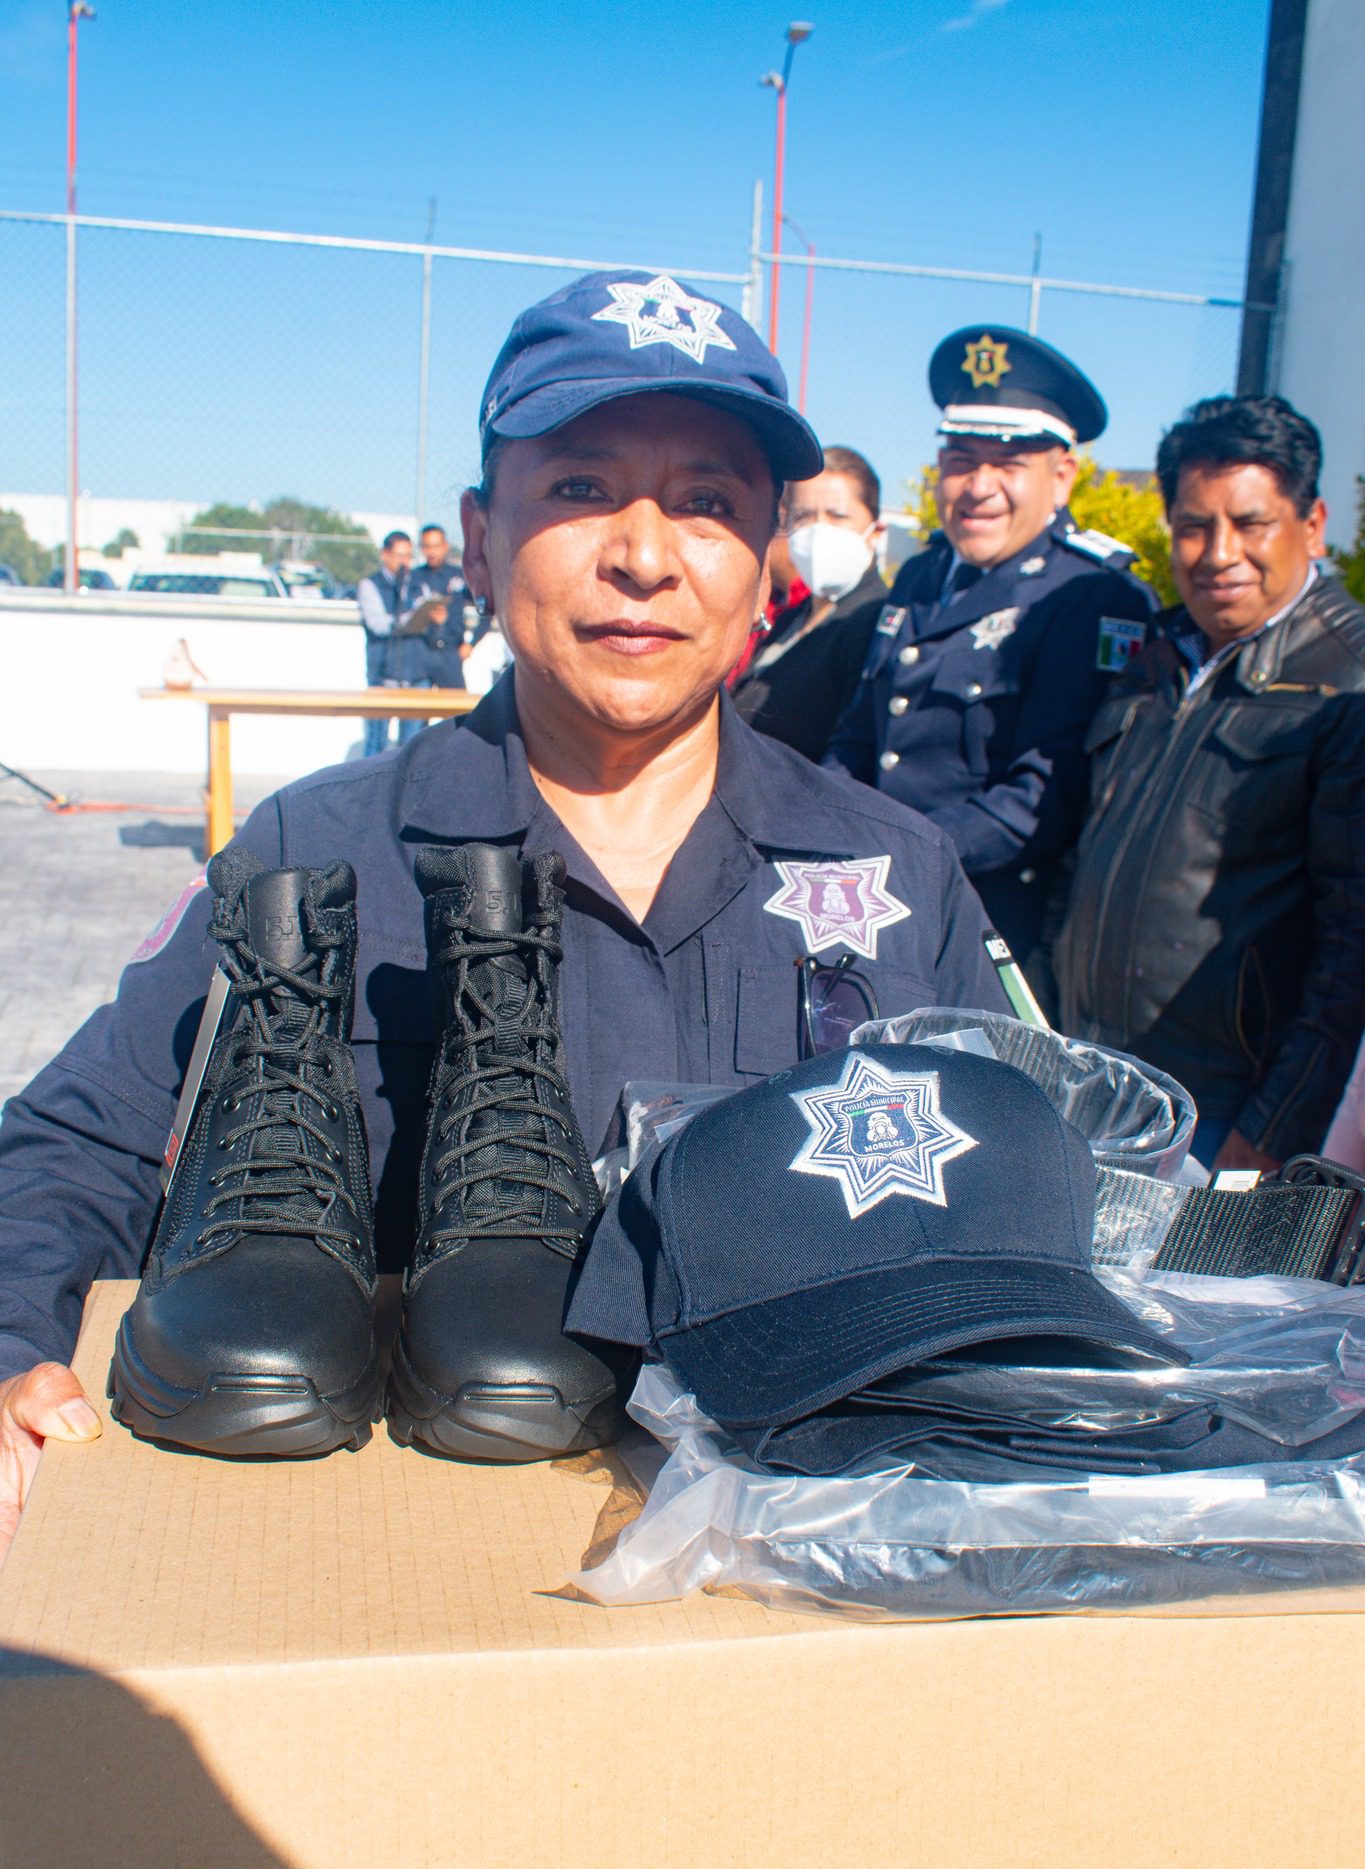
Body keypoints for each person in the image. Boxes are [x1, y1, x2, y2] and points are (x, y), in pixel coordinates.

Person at [0, 267, 1009, 1551]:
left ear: (764, 567)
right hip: (406, 1572)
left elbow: (1030, 1199)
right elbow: (73, 1138)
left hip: (798, 1568)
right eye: (582, 489)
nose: (643, 556)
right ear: (481, 537)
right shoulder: (321, 849)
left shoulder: (898, 870)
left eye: (707, 504)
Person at [1054, 393, 1365, 1173]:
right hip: (1100, 1085)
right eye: (1192, 526)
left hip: (1225, 1116)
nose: (1217, 552)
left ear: (1312, 524)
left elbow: (1348, 958)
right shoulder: (1152, 657)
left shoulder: (1347, 682)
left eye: (1249, 524)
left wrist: (1264, 1142)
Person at [823, 326, 1155, 967]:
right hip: (874, 902)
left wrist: (886, 854)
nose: (978, 486)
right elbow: (859, 733)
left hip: (986, 929)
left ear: (1061, 476)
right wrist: (820, 825)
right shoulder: (922, 575)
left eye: (1007, 464)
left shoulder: (1091, 596)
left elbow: (1037, 802)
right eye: (961, 460)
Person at [732, 445, 889, 760]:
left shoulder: (872, 621)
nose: (820, 530)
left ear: (876, 531)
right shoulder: (793, 617)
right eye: (804, 516)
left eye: (838, 515)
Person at [356, 530, 420, 755]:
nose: (405, 562)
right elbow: (378, 625)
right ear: (385, 554)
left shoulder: (414, 584)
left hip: (411, 673)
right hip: (381, 671)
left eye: (409, 556)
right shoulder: (370, 585)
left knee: (412, 744)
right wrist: (409, 619)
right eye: (399, 555)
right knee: (376, 742)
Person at [405, 523, 472, 691]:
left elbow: (486, 609)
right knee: (415, 714)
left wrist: (471, 643)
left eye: (436, 546)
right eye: (427, 546)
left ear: (445, 546)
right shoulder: (414, 577)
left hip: (450, 652)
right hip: (421, 652)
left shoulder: (459, 575)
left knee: (457, 711)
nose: (432, 552)